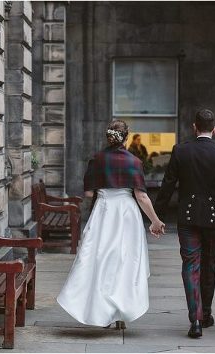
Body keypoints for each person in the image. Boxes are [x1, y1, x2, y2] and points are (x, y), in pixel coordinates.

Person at [57, 120, 165, 330]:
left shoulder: (97, 159)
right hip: (126, 214)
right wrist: (155, 221)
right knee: (125, 262)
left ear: (108, 136)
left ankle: (102, 312)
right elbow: (141, 196)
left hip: (104, 212)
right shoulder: (134, 162)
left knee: (100, 262)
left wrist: (103, 191)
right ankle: (120, 314)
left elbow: (88, 193)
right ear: (126, 137)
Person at [154, 109, 215, 338]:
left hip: (188, 219)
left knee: (191, 266)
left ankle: (196, 320)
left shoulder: (181, 151)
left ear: (194, 127)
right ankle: (207, 313)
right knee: (208, 266)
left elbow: (168, 185)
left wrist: (157, 217)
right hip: (213, 220)